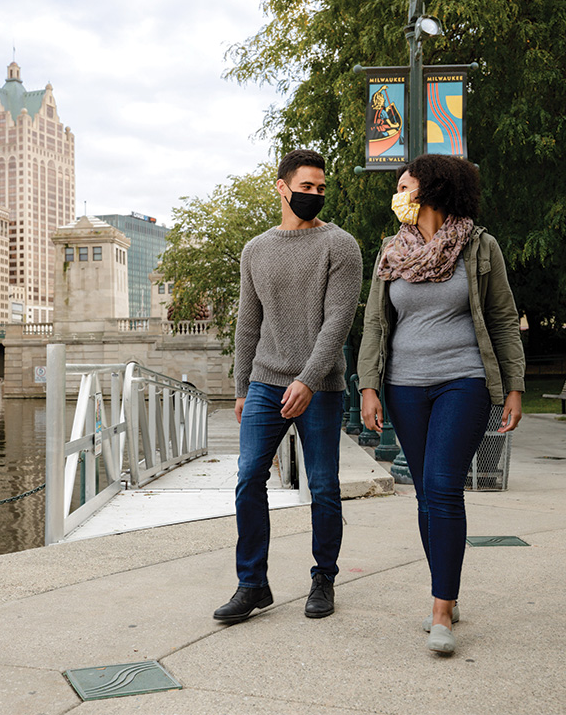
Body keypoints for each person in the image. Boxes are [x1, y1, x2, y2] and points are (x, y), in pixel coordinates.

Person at [357, 154, 525, 654]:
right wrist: (368, 386)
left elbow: (502, 316)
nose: (399, 195)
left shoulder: (478, 247)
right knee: (425, 494)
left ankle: (439, 610)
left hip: (464, 380)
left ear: (430, 190)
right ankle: (448, 594)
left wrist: (513, 385)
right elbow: (374, 323)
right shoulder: (391, 252)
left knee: (442, 486)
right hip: (406, 386)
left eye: (404, 185)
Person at [213, 148, 363, 624]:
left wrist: (308, 380)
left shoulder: (341, 246)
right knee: (247, 480)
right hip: (264, 382)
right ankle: (252, 584)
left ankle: (324, 578)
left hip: (320, 386)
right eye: (306, 187)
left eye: (320, 188)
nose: (314, 195)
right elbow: (247, 323)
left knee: (323, 487)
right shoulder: (256, 250)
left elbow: (338, 322)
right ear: (282, 187)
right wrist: (241, 386)